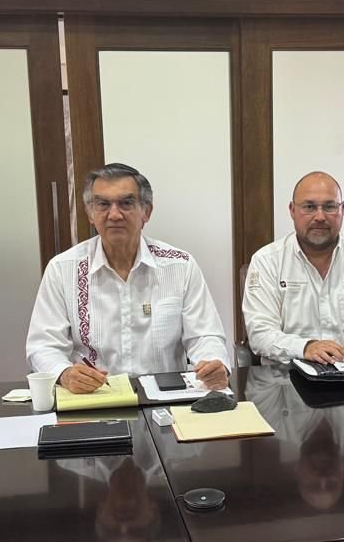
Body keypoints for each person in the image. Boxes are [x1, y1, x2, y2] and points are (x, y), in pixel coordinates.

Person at [26, 163, 230, 394]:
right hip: (94, 397)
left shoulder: (180, 265)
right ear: (90, 213)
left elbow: (205, 335)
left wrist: (213, 364)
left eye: (126, 203)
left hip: (167, 398)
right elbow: (43, 345)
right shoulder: (62, 269)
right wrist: (64, 373)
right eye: (103, 204)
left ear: (146, 212)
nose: (114, 215)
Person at [242, 171, 344, 365]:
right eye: (309, 207)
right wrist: (305, 347)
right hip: (287, 376)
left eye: (329, 206)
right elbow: (260, 333)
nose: (320, 216)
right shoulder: (267, 261)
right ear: (292, 210)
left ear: (342, 210)